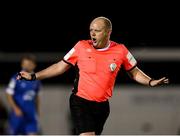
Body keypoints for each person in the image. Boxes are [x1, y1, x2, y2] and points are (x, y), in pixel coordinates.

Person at [18, 17, 169, 135]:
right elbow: (60, 66)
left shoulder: (121, 50)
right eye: (91, 30)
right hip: (80, 102)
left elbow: (134, 72)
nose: (92, 33)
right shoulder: (81, 46)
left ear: (108, 32)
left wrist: (150, 82)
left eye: (97, 30)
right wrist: (34, 76)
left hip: (102, 106)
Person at [6, 54, 41, 135]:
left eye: (28, 64)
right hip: (18, 115)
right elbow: (8, 94)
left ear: (34, 65)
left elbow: (37, 97)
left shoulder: (37, 80)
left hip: (31, 114)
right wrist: (15, 108)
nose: (26, 66)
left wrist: (37, 111)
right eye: (24, 64)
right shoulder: (16, 78)